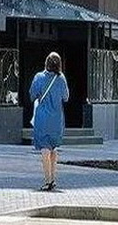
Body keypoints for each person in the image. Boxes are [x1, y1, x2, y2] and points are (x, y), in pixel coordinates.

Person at [29, 52, 69, 191]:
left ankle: (47, 181)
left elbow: (32, 95)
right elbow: (66, 97)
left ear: (46, 63)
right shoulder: (61, 78)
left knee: (45, 149)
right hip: (57, 119)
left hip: (43, 118)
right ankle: (53, 178)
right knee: (54, 148)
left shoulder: (39, 77)